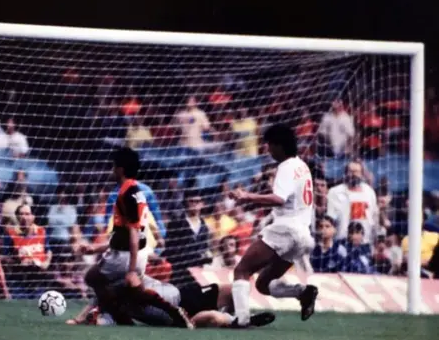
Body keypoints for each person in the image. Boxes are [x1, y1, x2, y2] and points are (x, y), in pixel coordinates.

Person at [83, 147, 193, 328]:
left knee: (93, 278)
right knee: (131, 291)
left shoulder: (125, 194)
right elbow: (126, 231)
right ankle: (168, 310)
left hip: (124, 254)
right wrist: (95, 248)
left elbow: (133, 233)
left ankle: (120, 316)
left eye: (113, 166)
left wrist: (132, 270)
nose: (112, 170)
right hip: (137, 252)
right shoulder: (138, 192)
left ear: (120, 169)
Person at [230, 123, 318, 328]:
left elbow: (279, 199)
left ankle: (241, 320)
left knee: (242, 270)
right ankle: (302, 292)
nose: (267, 149)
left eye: (269, 144)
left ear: (279, 146)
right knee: (262, 284)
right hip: (304, 235)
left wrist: (246, 196)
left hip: (285, 230)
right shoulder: (302, 165)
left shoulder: (286, 167)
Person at [68, 275, 275, 329]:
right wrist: (85, 319)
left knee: (229, 293)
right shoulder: (128, 292)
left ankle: (234, 319)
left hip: (179, 301)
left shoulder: (122, 289)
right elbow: (151, 297)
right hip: (179, 301)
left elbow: (101, 305)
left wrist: (79, 320)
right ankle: (237, 321)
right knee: (209, 315)